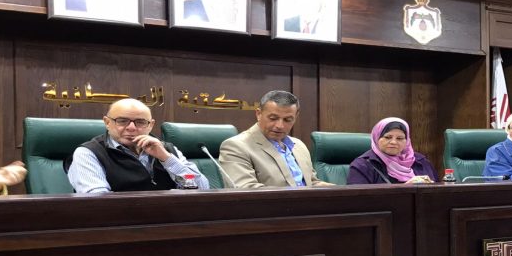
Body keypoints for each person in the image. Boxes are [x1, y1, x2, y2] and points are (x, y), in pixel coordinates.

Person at [66, 98, 209, 193]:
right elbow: (98, 203)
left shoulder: (167, 149)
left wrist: (166, 158)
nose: (132, 128)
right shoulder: (89, 153)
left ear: (150, 125)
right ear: (107, 123)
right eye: (122, 121)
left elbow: (203, 189)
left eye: (140, 122)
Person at [219, 90, 330, 188]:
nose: (280, 126)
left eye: (288, 120)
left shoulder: (299, 145)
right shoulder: (236, 146)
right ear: (259, 114)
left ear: (295, 117)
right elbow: (246, 190)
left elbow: (311, 183)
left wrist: (339, 190)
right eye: (273, 118)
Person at [347, 117, 437, 184]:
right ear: (376, 138)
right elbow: (358, 200)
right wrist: (405, 190)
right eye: (388, 137)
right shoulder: (363, 165)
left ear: (407, 141)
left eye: (400, 138)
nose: (393, 142)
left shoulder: (421, 161)